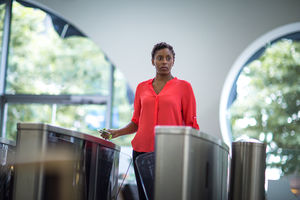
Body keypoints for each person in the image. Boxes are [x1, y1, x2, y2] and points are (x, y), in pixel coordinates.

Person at [100, 42, 199, 200]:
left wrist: (190, 153)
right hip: (141, 151)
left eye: (168, 58)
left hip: (171, 152)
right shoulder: (142, 88)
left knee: (169, 196)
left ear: (173, 61)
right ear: (153, 61)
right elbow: (136, 121)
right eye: (159, 58)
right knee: (145, 196)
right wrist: (115, 133)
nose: (164, 62)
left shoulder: (184, 87)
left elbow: (191, 125)